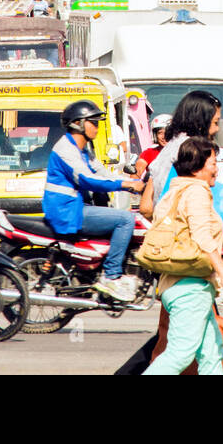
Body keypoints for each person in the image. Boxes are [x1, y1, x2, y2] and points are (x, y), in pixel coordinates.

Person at [142, 136, 223, 376]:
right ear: (197, 168)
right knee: (181, 353)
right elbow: (202, 237)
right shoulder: (196, 192)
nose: (217, 169)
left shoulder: (173, 191)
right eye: (213, 163)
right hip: (190, 287)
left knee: (211, 355)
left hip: (179, 284)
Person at [42, 100, 145, 302]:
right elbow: (87, 179)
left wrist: (132, 180)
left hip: (75, 207)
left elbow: (100, 172)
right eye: (93, 122)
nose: (97, 127)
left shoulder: (81, 149)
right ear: (78, 124)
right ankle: (111, 275)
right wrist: (125, 185)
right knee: (125, 219)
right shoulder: (66, 149)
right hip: (67, 211)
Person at [139, 91, 222, 218]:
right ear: (201, 122)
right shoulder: (194, 150)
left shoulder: (168, 148)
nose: (217, 129)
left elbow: (146, 207)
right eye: (216, 123)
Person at [136, 113, 173, 178]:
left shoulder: (181, 152)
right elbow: (135, 176)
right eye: (160, 133)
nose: (164, 137)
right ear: (155, 135)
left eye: (167, 133)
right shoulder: (149, 153)